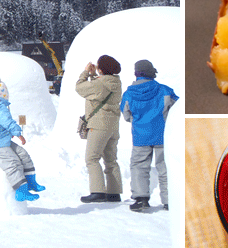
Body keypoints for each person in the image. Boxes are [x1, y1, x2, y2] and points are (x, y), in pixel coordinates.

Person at [120, 60, 179, 212]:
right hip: (163, 135)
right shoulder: (165, 91)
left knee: (139, 167)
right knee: (165, 168)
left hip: (141, 136)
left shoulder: (128, 94)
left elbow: (126, 116)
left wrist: (138, 121)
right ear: (152, 72)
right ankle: (169, 201)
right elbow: (177, 109)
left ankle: (141, 199)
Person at [0, 75, 45, 202]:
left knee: (23, 154)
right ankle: (21, 191)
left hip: (2, 140)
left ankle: (31, 182)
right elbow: (6, 120)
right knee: (12, 163)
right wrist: (17, 133)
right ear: (3, 94)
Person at [75, 55, 123, 203]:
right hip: (113, 125)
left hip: (99, 125)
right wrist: (94, 75)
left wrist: (85, 73)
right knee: (111, 159)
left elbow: (80, 88)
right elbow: (99, 87)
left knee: (92, 158)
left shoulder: (100, 84)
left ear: (101, 69)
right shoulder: (115, 82)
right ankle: (114, 193)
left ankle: (98, 192)